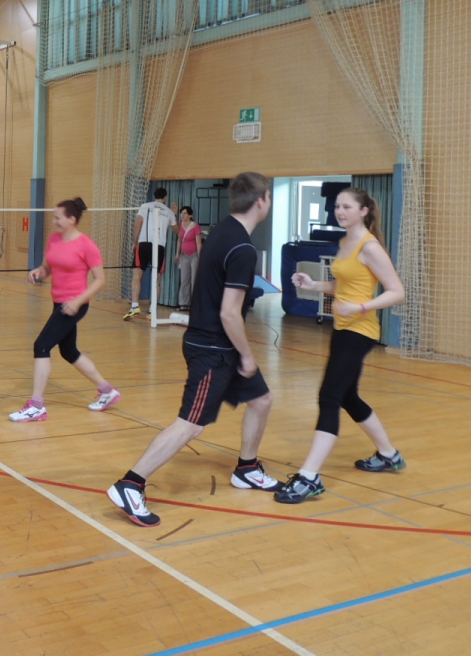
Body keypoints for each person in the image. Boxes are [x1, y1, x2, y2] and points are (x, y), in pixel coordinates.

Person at [107, 173, 279, 527]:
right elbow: (229, 313)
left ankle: (247, 468)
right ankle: (131, 484)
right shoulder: (242, 248)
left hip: (219, 345)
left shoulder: (222, 232)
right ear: (262, 200)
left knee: (261, 400)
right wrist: (247, 355)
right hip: (213, 349)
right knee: (191, 424)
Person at [275, 186, 406, 504]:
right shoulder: (345, 242)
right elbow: (343, 283)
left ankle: (309, 477)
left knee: (329, 397)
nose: (340, 211)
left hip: (360, 330)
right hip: (342, 327)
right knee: (347, 396)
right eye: (337, 206)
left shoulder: (370, 246)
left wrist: (360, 307)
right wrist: (314, 285)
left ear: (363, 211)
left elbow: (397, 291)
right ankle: (389, 454)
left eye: (347, 206)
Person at [9, 198, 118, 422]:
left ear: (72, 219)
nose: (54, 221)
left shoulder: (86, 245)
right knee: (69, 351)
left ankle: (36, 406)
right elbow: (48, 267)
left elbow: (100, 280)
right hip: (58, 302)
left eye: (58, 217)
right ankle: (107, 391)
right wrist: (39, 272)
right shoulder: (54, 239)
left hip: (74, 305)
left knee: (41, 346)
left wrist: (78, 301)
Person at [123, 186, 178, 320]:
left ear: (154, 196)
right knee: (157, 279)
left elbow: (138, 225)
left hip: (143, 244)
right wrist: (174, 215)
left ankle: (135, 306)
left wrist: (134, 243)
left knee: (137, 275)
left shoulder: (145, 206)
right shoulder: (169, 212)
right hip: (159, 247)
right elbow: (178, 231)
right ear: (165, 198)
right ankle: (152, 310)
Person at [175, 207, 203, 311]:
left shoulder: (195, 226)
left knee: (194, 280)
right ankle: (183, 304)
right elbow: (179, 241)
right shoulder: (180, 225)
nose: (182, 215)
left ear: (190, 215)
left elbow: (199, 243)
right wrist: (177, 254)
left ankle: (195, 304)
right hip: (184, 256)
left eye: (185, 213)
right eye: (181, 213)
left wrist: (200, 257)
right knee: (184, 280)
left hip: (194, 255)